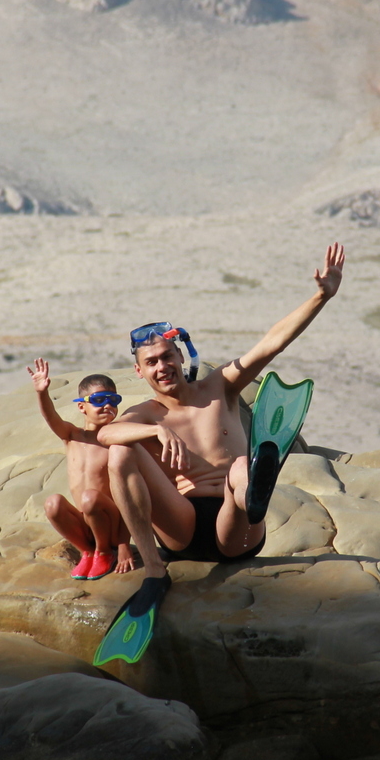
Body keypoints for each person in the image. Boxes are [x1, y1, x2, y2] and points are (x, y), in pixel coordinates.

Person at [98, 243, 345, 576]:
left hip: (237, 530)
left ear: (180, 356)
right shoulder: (145, 414)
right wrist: (156, 430)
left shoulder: (219, 386)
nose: (162, 367)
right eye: (151, 362)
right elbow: (106, 434)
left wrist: (321, 297)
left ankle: (252, 497)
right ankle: (154, 568)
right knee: (119, 451)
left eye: (167, 356)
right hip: (182, 526)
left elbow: (271, 344)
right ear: (139, 371)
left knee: (242, 465)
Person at [26, 359, 128, 580]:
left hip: (109, 524)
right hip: (84, 524)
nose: (107, 405)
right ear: (82, 406)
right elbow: (50, 417)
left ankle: (104, 552)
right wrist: (42, 393)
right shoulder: (72, 436)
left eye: (113, 400)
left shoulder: (116, 442)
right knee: (53, 503)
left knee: (90, 497)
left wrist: (123, 545)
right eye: (99, 400)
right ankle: (87, 552)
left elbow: (130, 496)